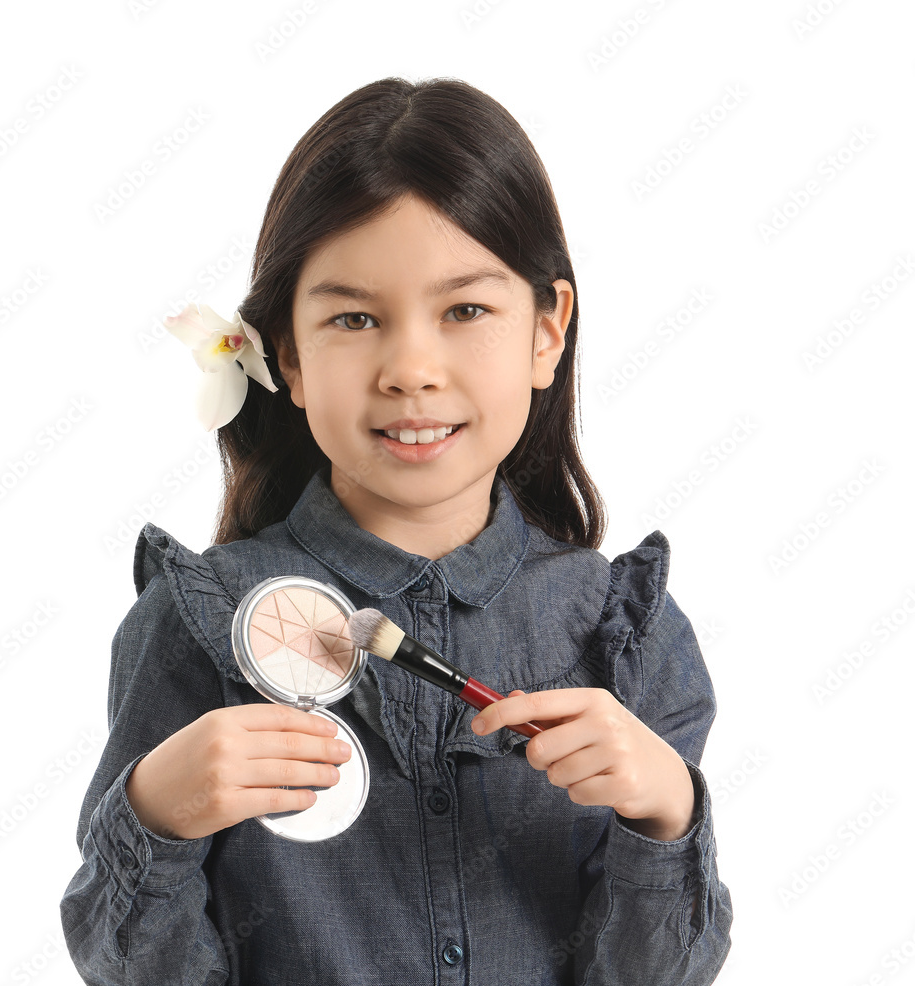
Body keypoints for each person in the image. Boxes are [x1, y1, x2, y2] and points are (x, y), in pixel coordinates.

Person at [61, 76, 733, 985]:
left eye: (465, 310)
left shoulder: (625, 634)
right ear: (287, 356)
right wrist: (155, 816)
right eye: (354, 318)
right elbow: (126, 963)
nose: (412, 369)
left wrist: (665, 815)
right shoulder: (196, 623)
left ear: (547, 330)